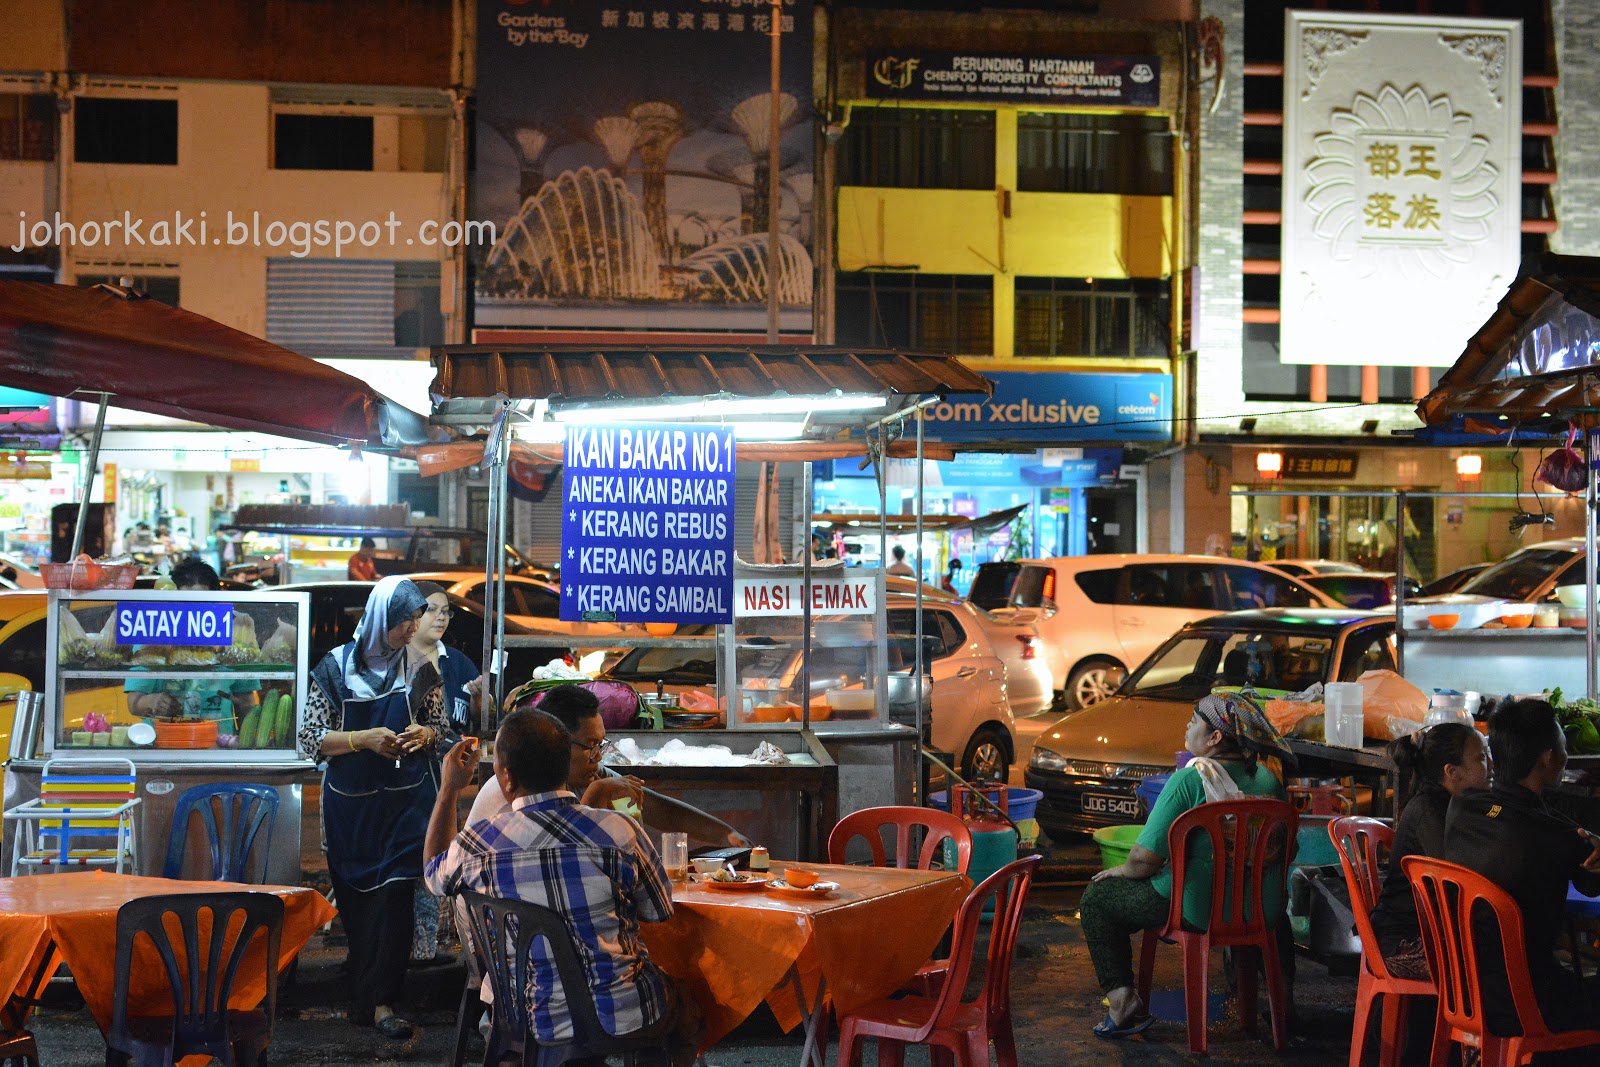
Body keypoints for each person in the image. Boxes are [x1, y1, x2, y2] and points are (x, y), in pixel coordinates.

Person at [424, 710, 702, 1067]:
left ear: (507, 778)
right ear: (564, 765)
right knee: (687, 1001)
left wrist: (448, 789)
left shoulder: (476, 844)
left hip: (525, 1017)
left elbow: (433, 874)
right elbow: (659, 911)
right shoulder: (620, 831)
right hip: (623, 1014)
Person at [1078, 692, 1293, 1039]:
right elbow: (1287, 851)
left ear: (1215, 737)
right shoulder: (1269, 782)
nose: (1187, 727)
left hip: (1197, 909)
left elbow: (1144, 859)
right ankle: (1283, 1007)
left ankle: (1121, 1001)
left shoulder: (1189, 781)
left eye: (1193, 722)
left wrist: (1120, 871)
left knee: (1097, 899)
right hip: (1261, 910)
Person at [297, 576, 448, 1039]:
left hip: (407, 806)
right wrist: (361, 739)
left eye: (416, 620)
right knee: (360, 907)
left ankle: (384, 1002)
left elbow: (440, 727)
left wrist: (423, 734)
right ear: (381, 619)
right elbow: (309, 738)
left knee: (394, 900)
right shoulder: (335, 668)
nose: (412, 630)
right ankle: (365, 1000)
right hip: (352, 811)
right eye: (404, 622)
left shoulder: (420, 668)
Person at [1442, 697, 1600, 1042]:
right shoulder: (1556, 836)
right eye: (1563, 748)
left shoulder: (1462, 805)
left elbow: (1528, 817)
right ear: (1548, 758)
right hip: (1525, 1003)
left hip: (1462, 989)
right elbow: (1591, 883)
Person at [1368, 724, 1491, 982]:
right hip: (1401, 941)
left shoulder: (1456, 804)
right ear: (1451, 771)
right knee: (1493, 962)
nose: (1491, 765)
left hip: (1427, 930)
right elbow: (1455, 879)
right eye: (1481, 758)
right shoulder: (1429, 811)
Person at [408, 581, 482, 961]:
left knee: (442, 857)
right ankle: (410, 949)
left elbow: (477, 720)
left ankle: (432, 946)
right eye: (431, 610)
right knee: (413, 862)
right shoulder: (399, 662)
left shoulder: (458, 663)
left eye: (445, 611)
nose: (441, 617)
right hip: (411, 782)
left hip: (451, 781)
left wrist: (484, 700)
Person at [124, 559, 259, 732]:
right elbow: (134, 702)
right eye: (186, 602)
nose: (194, 611)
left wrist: (247, 741)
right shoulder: (155, 636)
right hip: (165, 742)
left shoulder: (232, 638)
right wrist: (152, 701)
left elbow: (246, 702)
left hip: (218, 744)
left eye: (201, 603)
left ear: (216, 602)